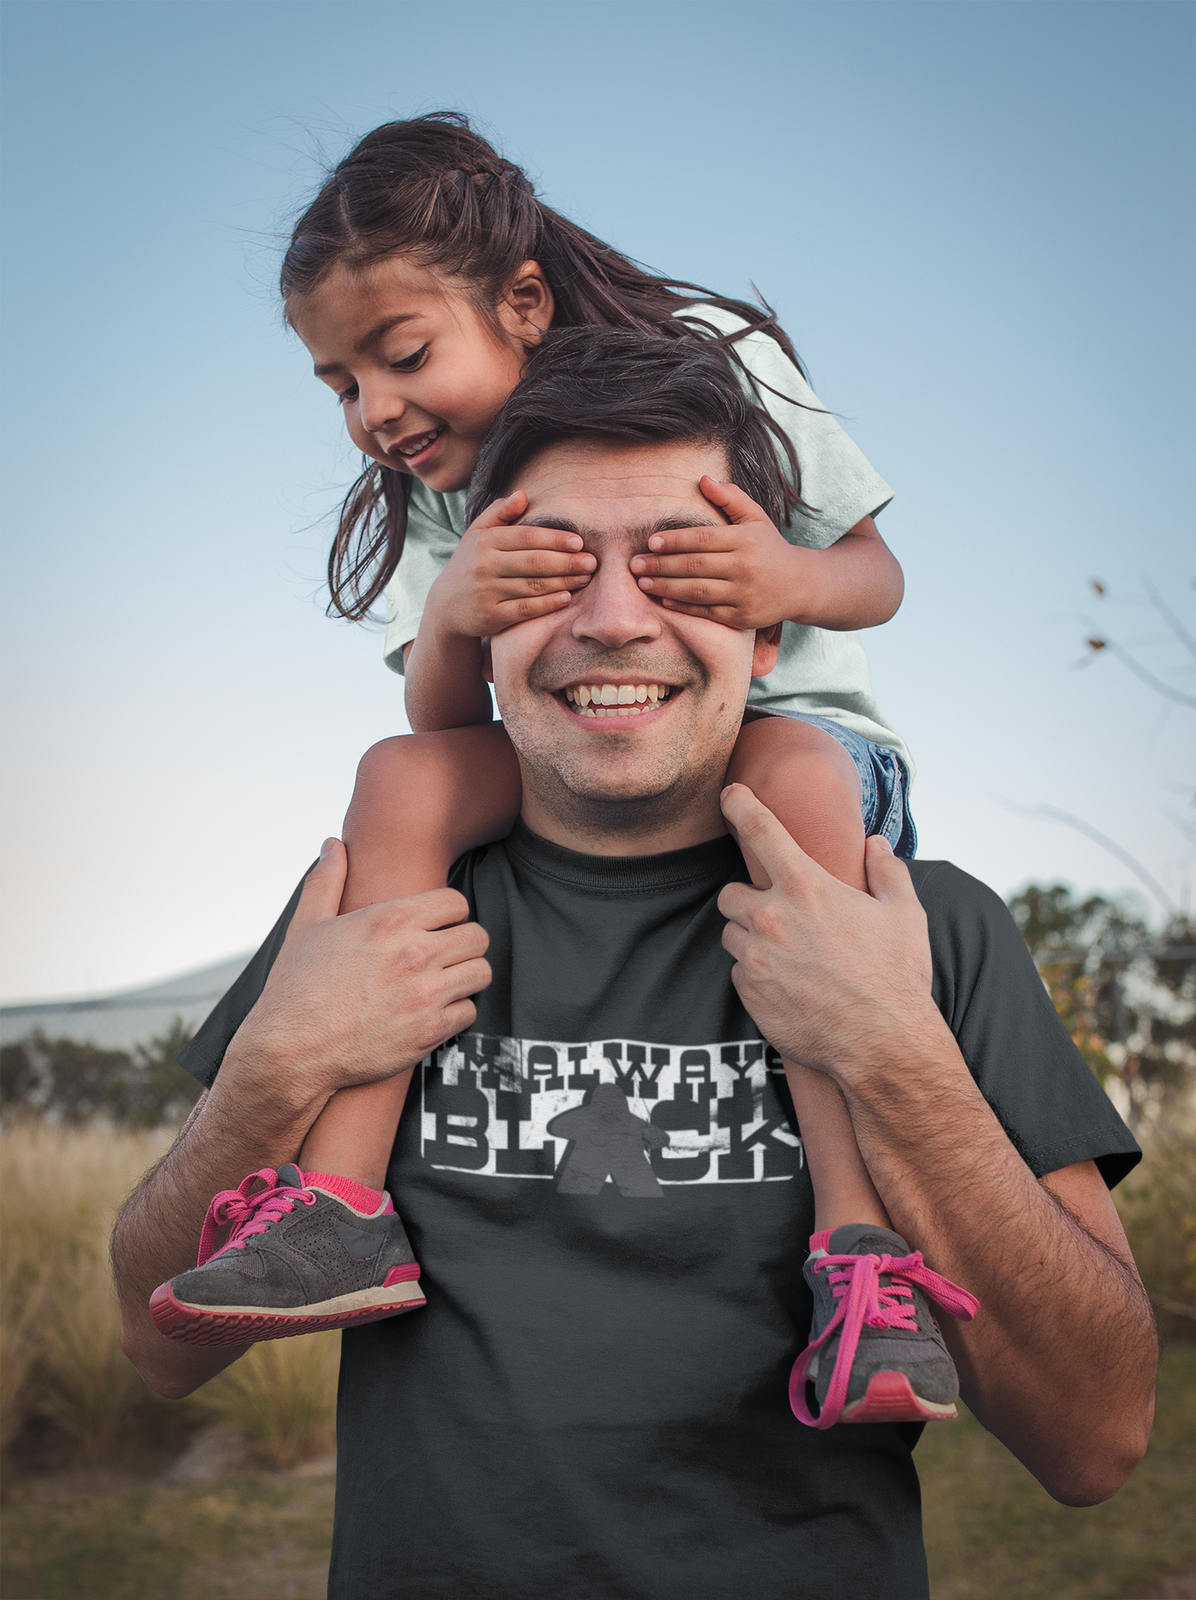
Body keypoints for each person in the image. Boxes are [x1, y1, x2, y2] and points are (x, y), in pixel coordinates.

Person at [113, 333, 1156, 1600]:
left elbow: (1099, 1441)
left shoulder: (925, 929)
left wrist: (893, 1046)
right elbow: (154, 1347)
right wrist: (274, 1065)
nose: (614, 621)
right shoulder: (375, 915)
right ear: (480, 621)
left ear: (771, 630)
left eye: (680, 565)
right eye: (552, 567)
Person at [148, 116, 934, 1399]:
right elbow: (442, 726)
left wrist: (777, 574)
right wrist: (456, 604)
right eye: (341, 385)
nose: (375, 410)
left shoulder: (712, 360)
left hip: (799, 740)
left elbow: (877, 574)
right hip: (584, 745)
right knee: (396, 782)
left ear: (521, 300)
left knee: (794, 773)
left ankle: (863, 1259)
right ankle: (340, 1205)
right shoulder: (446, 491)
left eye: (399, 357)